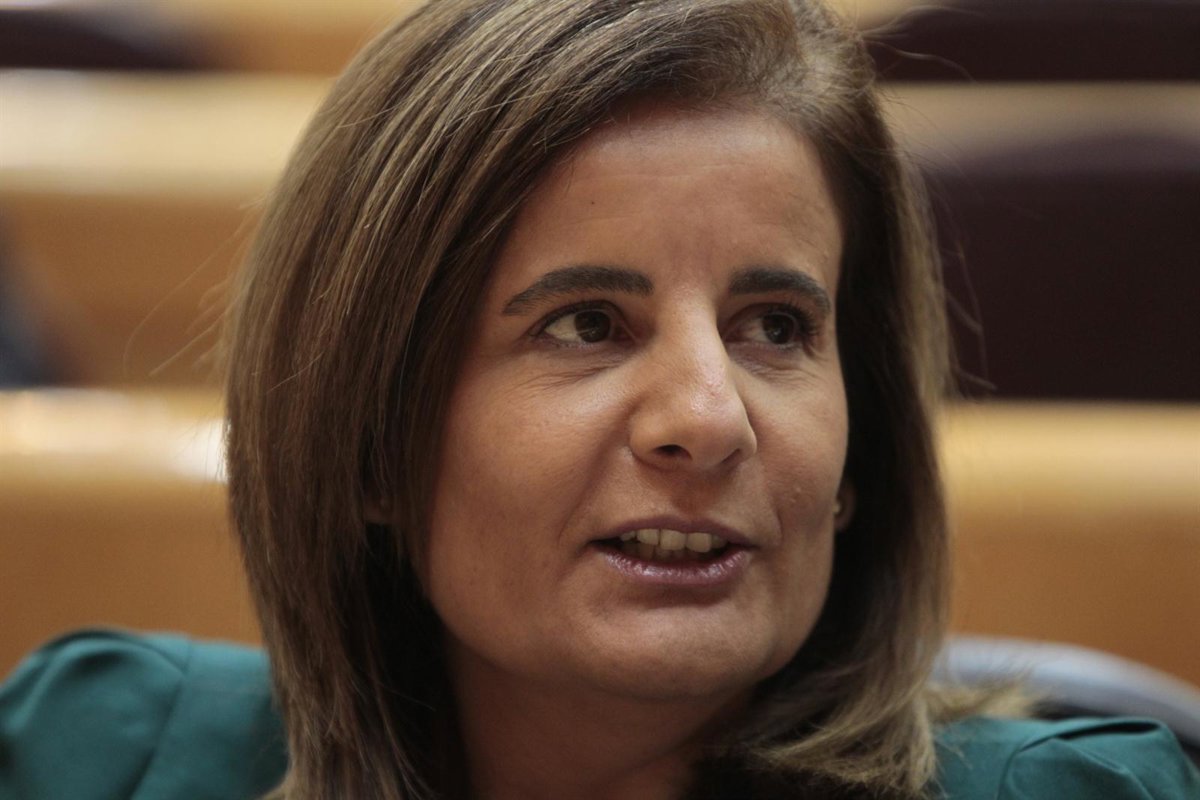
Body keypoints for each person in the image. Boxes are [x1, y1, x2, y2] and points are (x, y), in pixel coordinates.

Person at [1, 1, 1197, 798]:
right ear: (366, 441)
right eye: (585, 324)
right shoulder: (96, 754)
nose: (710, 417)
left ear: (860, 448)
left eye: (775, 327)